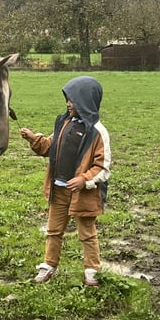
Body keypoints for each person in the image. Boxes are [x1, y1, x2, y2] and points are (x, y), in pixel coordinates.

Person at [19, 75, 111, 286]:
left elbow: (103, 168)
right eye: (67, 99)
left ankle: (92, 271)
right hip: (58, 190)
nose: (68, 104)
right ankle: (49, 265)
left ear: (86, 102)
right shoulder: (64, 123)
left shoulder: (98, 132)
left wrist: (84, 180)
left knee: (87, 234)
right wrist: (35, 140)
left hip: (83, 194)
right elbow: (49, 148)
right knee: (53, 230)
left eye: (73, 100)